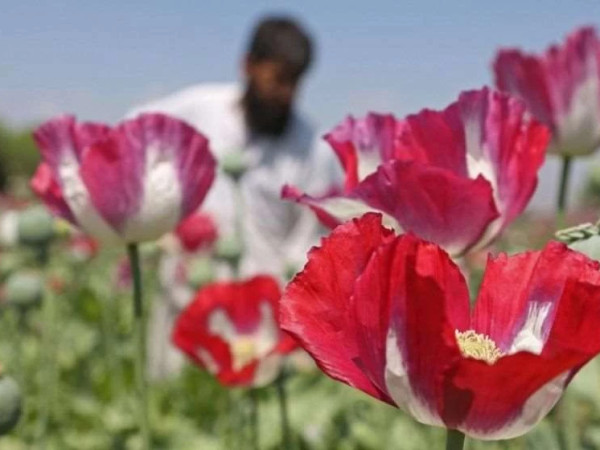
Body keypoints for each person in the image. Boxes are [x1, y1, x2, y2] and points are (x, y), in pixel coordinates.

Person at [128, 15, 335, 378]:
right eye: (278, 79)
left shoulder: (312, 150)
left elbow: (309, 240)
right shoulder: (199, 109)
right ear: (248, 66)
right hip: (183, 294)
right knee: (169, 393)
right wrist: (155, 220)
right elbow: (131, 135)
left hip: (258, 319)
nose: (286, 93)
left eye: (295, 82)